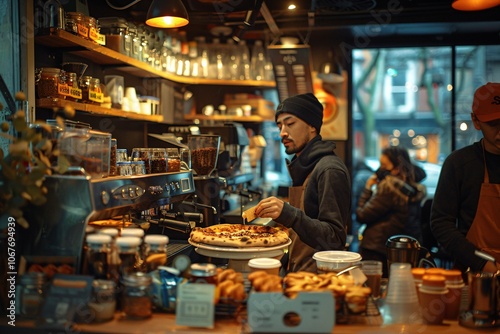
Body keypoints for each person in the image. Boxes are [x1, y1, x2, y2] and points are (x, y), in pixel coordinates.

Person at [253, 93, 351, 272]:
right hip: (297, 272)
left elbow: (334, 239)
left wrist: (290, 214)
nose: (283, 132)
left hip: (317, 281)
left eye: (290, 124)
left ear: (312, 126)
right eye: (279, 125)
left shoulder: (329, 169)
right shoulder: (305, 166)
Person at [430, 82, 500, 274]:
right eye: (493, 124)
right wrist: (481, 262)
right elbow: (441, 223)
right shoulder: (460, 164)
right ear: (476, 121)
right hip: (473, 273)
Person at [356, 146, 426, 277]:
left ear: (396, 168)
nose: (379, 169)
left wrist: (367, 188)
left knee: (373, 288)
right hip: (397, 248)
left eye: (383, 165)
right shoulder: (411, 188)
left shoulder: (388, 187)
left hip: (375, 247)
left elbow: (362, 215)